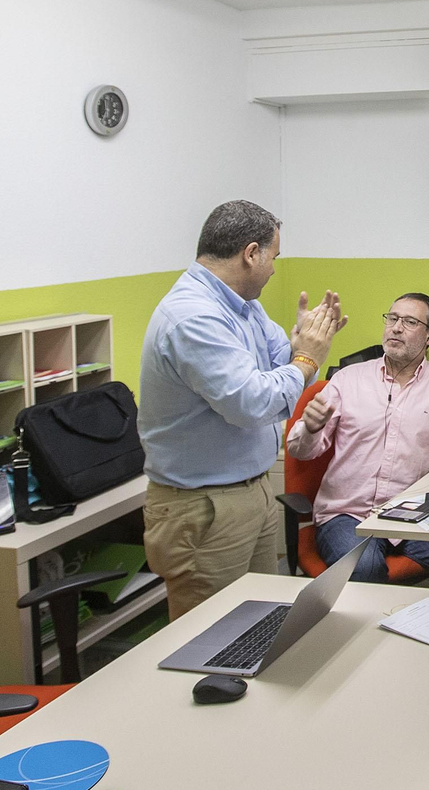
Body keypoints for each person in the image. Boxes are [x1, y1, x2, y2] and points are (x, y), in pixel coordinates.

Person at [138, 200, 345, 620]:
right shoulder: (194, 317)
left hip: (250, 493)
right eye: (274, 258)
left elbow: (282, 369)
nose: (274, 270)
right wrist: (306, 358)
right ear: (251, 253)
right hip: (205, 507)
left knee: (257, 622)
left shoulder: (243, 306)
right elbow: (254, 403)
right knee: (209, 635)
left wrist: (303, 345)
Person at [284, 293, 429, 590]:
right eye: (392, 318)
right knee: (366, 569)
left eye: (410, 322)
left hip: (415, 514)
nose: (396, 327)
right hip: (347, 514)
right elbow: (299, 450)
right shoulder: (347, 380)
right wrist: (311, 428)